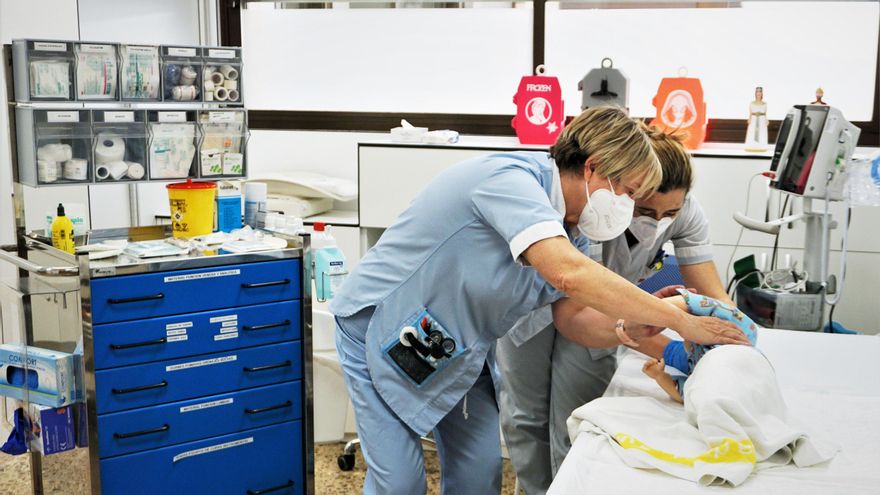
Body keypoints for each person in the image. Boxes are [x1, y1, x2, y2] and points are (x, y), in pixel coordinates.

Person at [329, 107, 748, 495]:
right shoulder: (509, 181)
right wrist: (684, 324)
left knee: (478, 472)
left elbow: (573, 319)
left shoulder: (577, 230)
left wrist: (627, 328)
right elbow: (569, 273)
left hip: (453, 347)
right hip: (383, 329)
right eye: (626, 191)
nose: (626, 206)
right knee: (400, 482)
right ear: (594, 168)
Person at [497, 130, 739, 495]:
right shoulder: (599, 212)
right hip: (546, 304)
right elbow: (576, 309)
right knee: (525, 418)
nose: (657, 222)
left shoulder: (686, 212)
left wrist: (733, 335)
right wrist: (672, 347)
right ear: (629, 189)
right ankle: (535, 491)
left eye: (669, 214)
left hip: (601, 311)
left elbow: (713, 295)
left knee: (576, 420)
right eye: (645, 211)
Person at [643, 289, 759, 403]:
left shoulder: (706, 380)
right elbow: (715, 306)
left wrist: (659, 376)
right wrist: (672, 305)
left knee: (677, 352)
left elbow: (686, 393)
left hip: (699, 363)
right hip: (702, 355)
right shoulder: (742, 333)